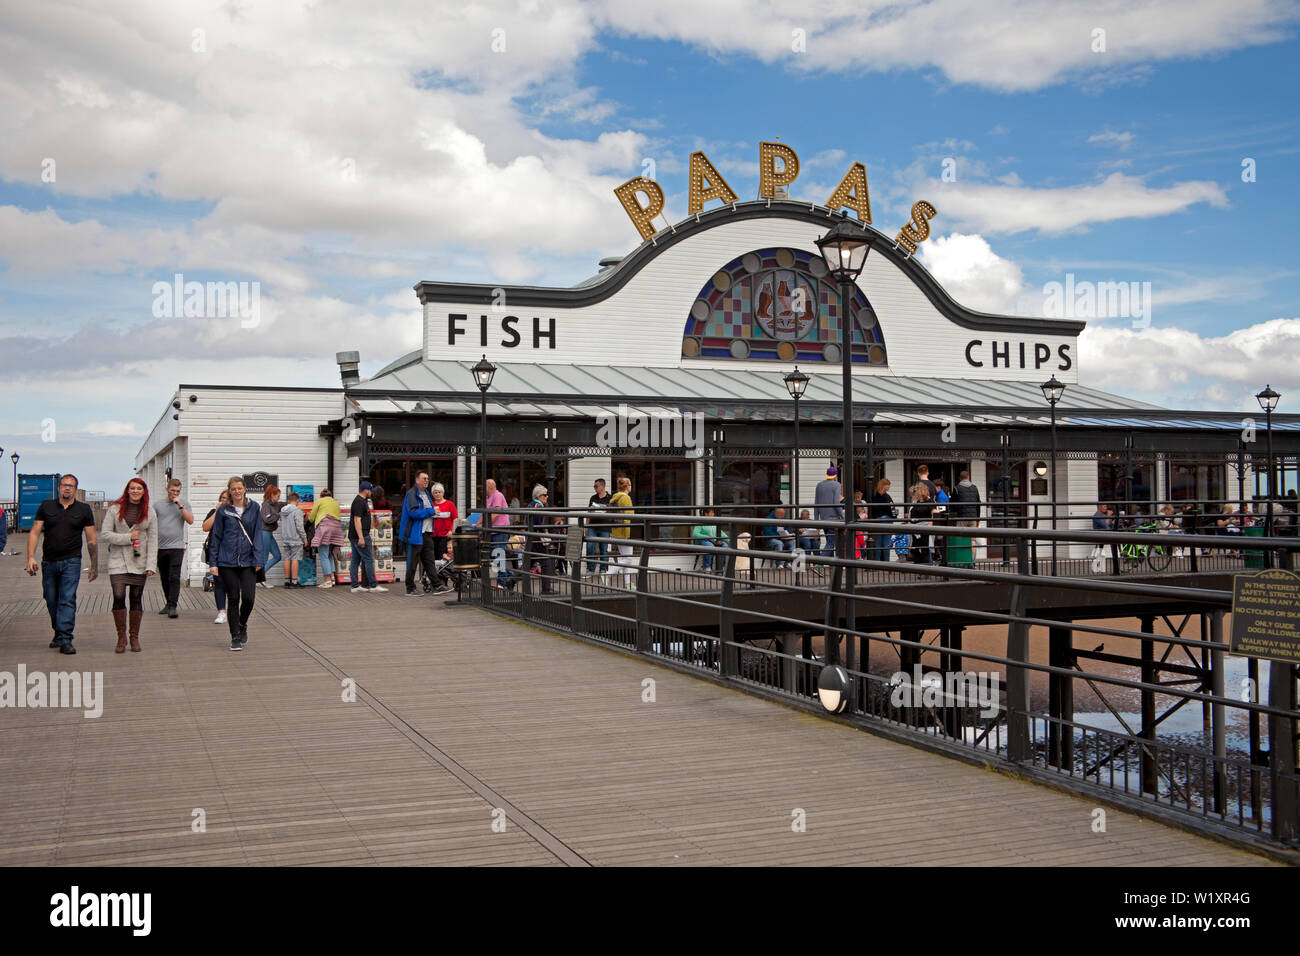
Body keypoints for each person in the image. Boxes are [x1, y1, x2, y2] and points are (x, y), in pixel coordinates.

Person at [26, 474, 97, 655]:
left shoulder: (84, 510)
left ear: (75, 489)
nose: (67, 488)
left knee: (67, 599)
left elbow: (91, 539)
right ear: (58, 488)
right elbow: (35, 532)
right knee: (51, 599)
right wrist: (30, 557)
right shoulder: (46, 506)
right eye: (64, 485)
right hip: (49, 561)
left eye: (71, 486)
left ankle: (65, 639)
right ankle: (59, 633)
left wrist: (94, 565)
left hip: (72, 561)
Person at [208, 476, 266, 651]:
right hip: (227, 561)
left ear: (244, 489)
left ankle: (242, 624)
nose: (237, 491)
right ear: (229, 491)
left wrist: (258, 559)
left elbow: (257, 534)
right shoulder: (223, 511)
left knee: (248, 598)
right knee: (233, 598)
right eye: (233, 489)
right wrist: (213, 562)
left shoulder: (254, 507)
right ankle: (235, 636)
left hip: (248, 560)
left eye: (239, 488)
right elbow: (216, 536)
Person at [100, 477, 158, 653]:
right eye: (132, 488)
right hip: (118, 560)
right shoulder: (115, 510)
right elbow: (105, 534)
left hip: (139, 561)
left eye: (139, 489)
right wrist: (127, 538)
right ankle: (121, 636)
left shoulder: (149, 511)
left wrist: (151, 565)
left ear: (143, 492)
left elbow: (154, 539)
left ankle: (134, 637)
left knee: (135, 598)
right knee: (118, 596)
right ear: (127, 490)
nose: (135, 491)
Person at [154, 477, 193, 618]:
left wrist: (180, 506)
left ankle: (173, 606)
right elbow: (151, 523)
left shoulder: (184, 504)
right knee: (164, 576)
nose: (175, 493)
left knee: (174, 576)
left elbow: (190, 520)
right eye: (172, 490)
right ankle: (168, 603)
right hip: (160, 546)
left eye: (177, 491)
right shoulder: (158, 505)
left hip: (176, 546)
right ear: (167, 489)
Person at [399, 472, 438, 595]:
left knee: (429, 560)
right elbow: (413, 513)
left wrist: (435, 515)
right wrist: (431, 511)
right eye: (424, 478)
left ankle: (437, 585)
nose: (426, 480)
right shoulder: (411, 494)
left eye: (427, 478)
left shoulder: (426, 493)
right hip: (414, 533)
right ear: (417, 480)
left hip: (426, 532)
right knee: (412, 562)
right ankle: (410, 588)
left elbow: (426, 512)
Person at [348, 481, 386, 593]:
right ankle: (373, 585)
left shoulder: (360, 500)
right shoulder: (359, 502)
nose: (371, 492)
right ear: (365, 490)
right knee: (369, 559)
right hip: (361, 535)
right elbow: (357, 519)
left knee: (355, 560)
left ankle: (354, 585)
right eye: (370, 490)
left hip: (355, 535)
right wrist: (361, 537)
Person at [203, 490, 231, 622]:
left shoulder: (235, 513)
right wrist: (216, 512)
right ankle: (221, 612)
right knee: (218, 582)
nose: (224, 501)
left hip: (232, 552)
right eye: (222, 498)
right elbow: (205, 527)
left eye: (226, 498)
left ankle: (232, 610)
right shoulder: (214, 512)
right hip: (216, 551)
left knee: (231, 583)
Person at [308, 488, 345, 589]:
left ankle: (327, 580)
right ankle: (332, 578)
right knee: (329, 554)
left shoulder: (319, 501)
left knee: (323, 554)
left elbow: (311, 517)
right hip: (336, 530)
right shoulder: (335, 502)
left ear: (321, 496)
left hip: (325, 528)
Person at [427, 482, 459, 594]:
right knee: (433, 559)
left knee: (443, 560)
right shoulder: (431, 504)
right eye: (435, 492)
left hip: (444, 536)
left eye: (439, 492)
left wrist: (451, 531)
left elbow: (455, 519)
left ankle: (443, 582)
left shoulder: (450, 504)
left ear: (443, 493)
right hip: (432, 536)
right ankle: (435, 582)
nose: (437, 494)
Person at [524, 484, 556, 594]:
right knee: (546, 563)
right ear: (539, 496)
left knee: (528, 564)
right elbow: (538, 523)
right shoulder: (539, 506)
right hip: (537, 539)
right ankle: (546, 589)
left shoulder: (530, 505)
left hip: (530, 538)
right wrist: (545, 533)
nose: (547, 497)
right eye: (545, 495)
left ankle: (512, 580)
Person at [484, 478, 512, 589]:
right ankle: (510, 578)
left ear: (490, 486)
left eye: (485, 486)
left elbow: (495, 514)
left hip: (500, 530)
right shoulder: (487, 498)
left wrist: (482, 523)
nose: (483, 489)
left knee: (498, 555)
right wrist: (477, 523)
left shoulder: (497, 495)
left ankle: (502, 582)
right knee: (494, 556)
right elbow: (485, 514)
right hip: (492, 531)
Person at [276, 491, 308, 588]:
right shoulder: (297, 511)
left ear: (288, 500)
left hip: (286, 538)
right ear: (297, 501)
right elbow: (299, 526)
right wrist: (305, 538)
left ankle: (286, 581)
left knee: (287, 558)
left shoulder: (282, 511)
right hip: (295, 538)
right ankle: (294, 581)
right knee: (295, 559)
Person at [608, 476, 635, 588]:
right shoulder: (626, 498)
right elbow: (628, 517)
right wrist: (628, 535)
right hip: (624, 531)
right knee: (628, 559)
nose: (631, 487)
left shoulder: (615, 497)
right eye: (630, 485)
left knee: (625, 558)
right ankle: (608, 574)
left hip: (616, 530)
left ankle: (628, 584)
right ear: (627, 486)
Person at [258, 485, 285, 588]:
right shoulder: (266, 505)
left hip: (269, 533)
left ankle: (259, 577)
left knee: (277, 556)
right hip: (264, 533)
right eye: (277, 496)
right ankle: (259, 578)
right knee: (264, 557)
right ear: (272, 495)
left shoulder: (275, 504)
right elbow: (267, 519)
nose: (279, 498)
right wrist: (279, 514)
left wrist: (292, 504)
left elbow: (283, 504)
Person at [813, 465, 843, 557]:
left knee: (829, 542)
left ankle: (831, 568)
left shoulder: (819, 485)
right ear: (835, 476)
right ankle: (819, 563)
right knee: (831, 543)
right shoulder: (837, 485)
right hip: (834, 519)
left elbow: (816, 504)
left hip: (823, 519)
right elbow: (836, 502)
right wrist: (842, 516)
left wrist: (816, 520)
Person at [585, 478, 612, 574]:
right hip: (592, 526)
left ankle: (603, 569)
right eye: (594, 486)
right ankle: (590, 569)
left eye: (596, 486)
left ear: (602, 486)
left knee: (603, 549)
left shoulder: (610, 498)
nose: (594, 488)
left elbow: (613, 513)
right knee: (590, 546)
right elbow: (588, 513)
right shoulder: (593, 498)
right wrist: (586, 527)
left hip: (605, 527)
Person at [908, 483, 936, 565]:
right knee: (914, 549)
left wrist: (930, 523)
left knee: (925, 549)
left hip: (924, 527)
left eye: (916, 492)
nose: (915, 494)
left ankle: (925, 569)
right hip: (914, 527)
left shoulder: (930, 501)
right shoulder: (916, 501)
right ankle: (919, 566)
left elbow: (934, 512)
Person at [870, 478, 896, 562]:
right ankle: (887, 563)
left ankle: (877, 563)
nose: (889, 487)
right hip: (887, 520)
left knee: (878, 543)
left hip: (877, 520)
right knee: (886, 543)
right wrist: (894, 516)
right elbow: (892, 508)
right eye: (888, 485)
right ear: (884, 485)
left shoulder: (874, 495)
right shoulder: (886, 496)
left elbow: (873, 509)